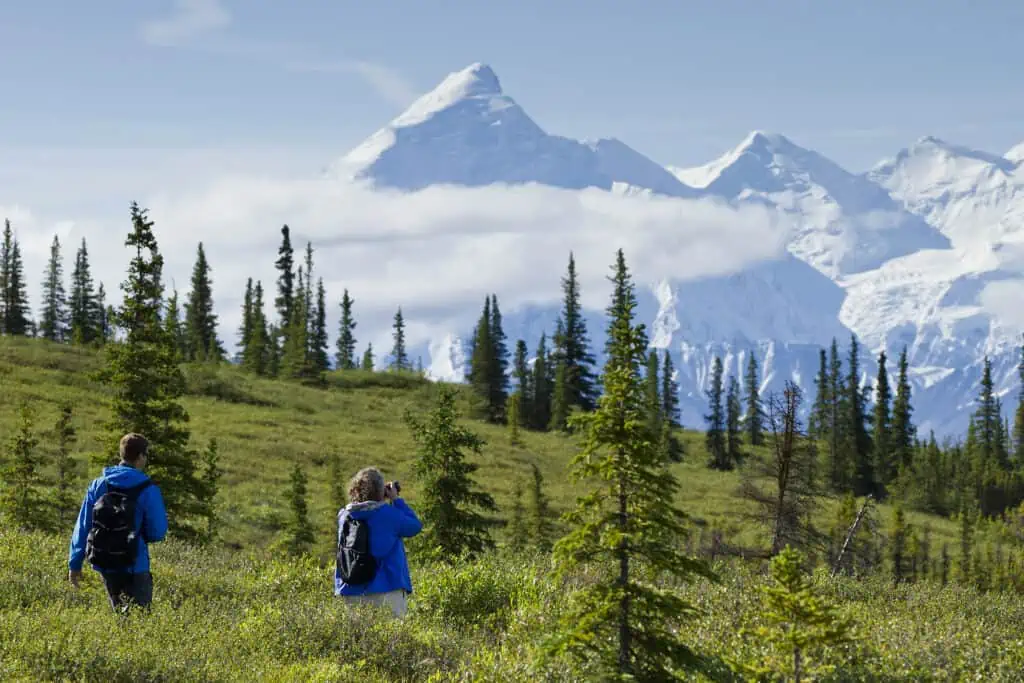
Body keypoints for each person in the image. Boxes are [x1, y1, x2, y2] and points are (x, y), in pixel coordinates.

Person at [68, 433, 168, 612]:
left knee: (119, 616)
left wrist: (75, 564)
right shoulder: (148, 489)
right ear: (140, 457)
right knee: (139, 621)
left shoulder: (99, 484)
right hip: (136, 565)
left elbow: (83, 526)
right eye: (146, 455)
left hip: (105, 563)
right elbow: (157, 532)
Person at [336, 466, 422, 618]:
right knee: (392, 640)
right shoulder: (389, 515)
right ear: (380, 491)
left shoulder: (344, 516)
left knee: (357, 641)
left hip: (351, 590)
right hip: (387, 589)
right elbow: (414, 526)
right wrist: (395, 499)